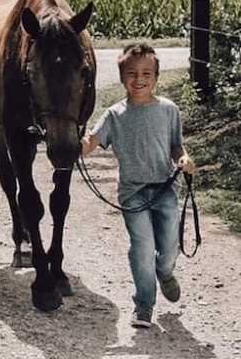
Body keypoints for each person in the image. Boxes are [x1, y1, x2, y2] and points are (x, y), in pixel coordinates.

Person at [81, 43, 194, 328]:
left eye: (146, 73)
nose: (139, 79)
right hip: (132, 193)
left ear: (156, 76)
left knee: (168, 247)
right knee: (142, 246)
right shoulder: (114, 115)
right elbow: (89, 144)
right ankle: (144, 304)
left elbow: (176, 146)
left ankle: (165, 272)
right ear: (121, 77)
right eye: (131, 73)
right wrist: (69, 140)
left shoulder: (169, 110)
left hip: (165, 189)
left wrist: (183, 158)